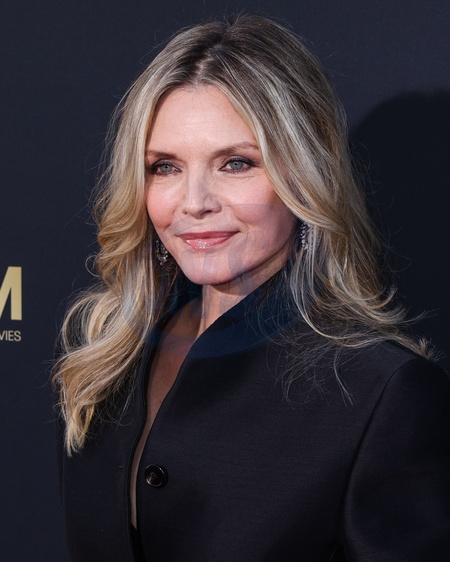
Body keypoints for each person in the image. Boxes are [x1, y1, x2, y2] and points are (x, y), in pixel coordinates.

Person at [53, 14, 450, 562]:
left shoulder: (381, 393)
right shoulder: (105, 362)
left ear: (304, 175)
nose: (195, 202)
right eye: (165, 167)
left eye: (236, 163)